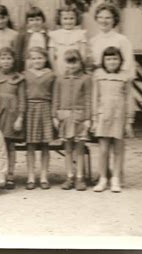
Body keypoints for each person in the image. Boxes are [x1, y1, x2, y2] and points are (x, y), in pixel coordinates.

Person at [92, 46, 134, 193]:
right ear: (103, 61)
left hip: (119, 117)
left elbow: (129, 98)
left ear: (120, 60)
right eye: (108, 59)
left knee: (118, 149)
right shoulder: (98, 75)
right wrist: (94, 119)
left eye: (115, 58)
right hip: (103, 116)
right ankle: (103, 178)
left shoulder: (125, 76)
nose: (112, 62)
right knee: (103, 150)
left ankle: (116, 179)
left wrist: (129, 120)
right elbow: (95, 98)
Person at [52, 49, 92, 191]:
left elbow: (88, 99)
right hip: (64, 117)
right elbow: (56, 99)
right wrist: (54, 116)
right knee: (68, 149)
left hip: (79, 118)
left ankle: (80, 177)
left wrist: (88, 118)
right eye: (69, 63)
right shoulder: (60, 79)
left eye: (75, 63)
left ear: (81, 63)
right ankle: (69, 176)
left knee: (80, 150)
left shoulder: (86, 79)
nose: (72, 66)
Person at [23, 46, 56, 190]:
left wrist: (54, 114)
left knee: (45, 145)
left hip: (46, 108)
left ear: (45, 59)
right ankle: (31, 176)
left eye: (40, 58)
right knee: (30, 145)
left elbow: (55, 96)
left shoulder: (51, 75)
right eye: (34, 58)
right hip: (30, 109)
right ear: (30, 60)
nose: (37, 61)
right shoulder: (25, 75)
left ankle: (43, 176)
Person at [0, 47, 25, 189]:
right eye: (3, 58)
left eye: (9, 58)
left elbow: (22, 99)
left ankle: (10, 175)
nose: (6, 61)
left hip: (12, 116)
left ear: (13, 61)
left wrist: (20, 118)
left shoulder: (19, 78)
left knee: (10, 146)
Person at [89, 3, 136, 79]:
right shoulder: (93, 41)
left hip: (116, 81)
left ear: (114, 20)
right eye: (100, 17)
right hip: (97, 80)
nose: (103, 21)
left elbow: (128, 65)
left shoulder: (122, 40)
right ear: (96, 19)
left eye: (108, 18)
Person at [48, 5, 88, 76]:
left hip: (76, 67)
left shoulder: (80, 34)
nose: (68, 21)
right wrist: (55, 71)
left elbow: (83, 54)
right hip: (60, 66)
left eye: (71, 18)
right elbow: (51, 56)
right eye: (65, 19)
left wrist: (79, 68)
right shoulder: (55, 35)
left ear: (76, 19)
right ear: (60, 19)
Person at [15, 6, 49, 71]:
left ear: (43, 20)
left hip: (42, 63)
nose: (35, 22)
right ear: (27, 22)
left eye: (37, 19)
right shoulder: (23, 35)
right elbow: (18, 54)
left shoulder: (46, 35)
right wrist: (18, 69)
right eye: (31, 20)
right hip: (27, 63)